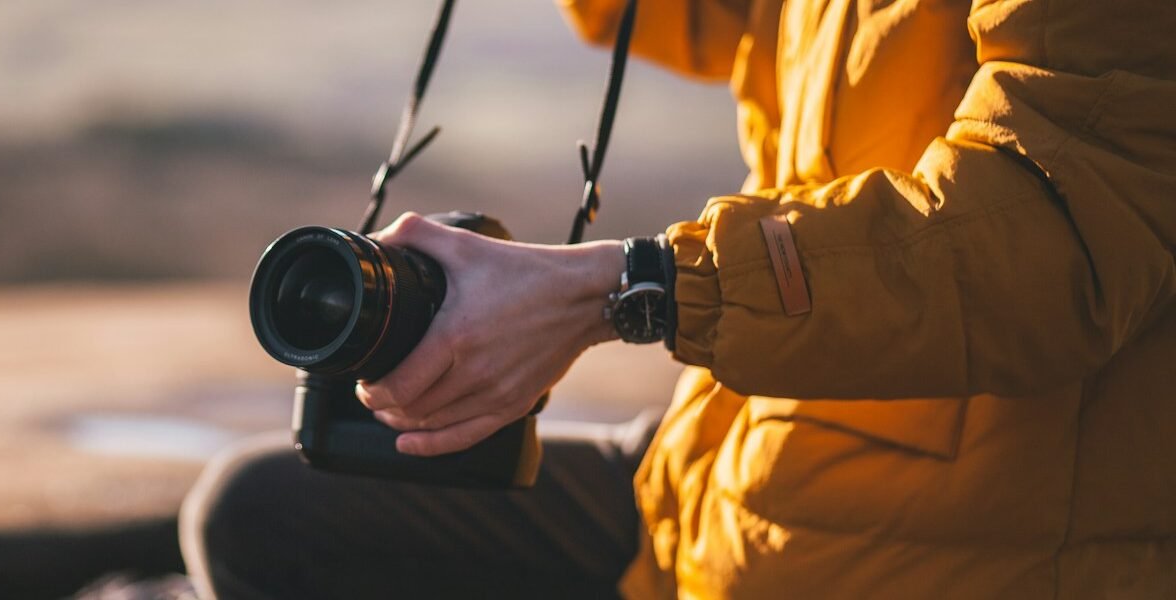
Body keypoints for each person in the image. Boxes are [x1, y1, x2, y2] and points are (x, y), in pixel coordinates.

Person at [182, 0, 1176, 597]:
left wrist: (630, 290)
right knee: (257, 516)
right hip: (744, 474)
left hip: (950, 550)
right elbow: (710, 16)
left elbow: (1053, 240)